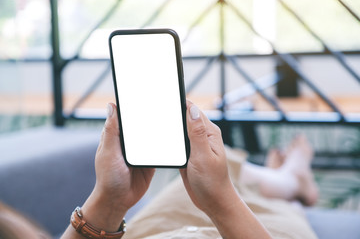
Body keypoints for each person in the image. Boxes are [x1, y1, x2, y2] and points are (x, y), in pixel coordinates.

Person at [60, 101, 319, 239]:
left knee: (216, 165)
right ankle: (292, 182)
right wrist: (221, 202)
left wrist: (110, 201)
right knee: (279, 210)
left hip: (151, 232)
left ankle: (286, 180)